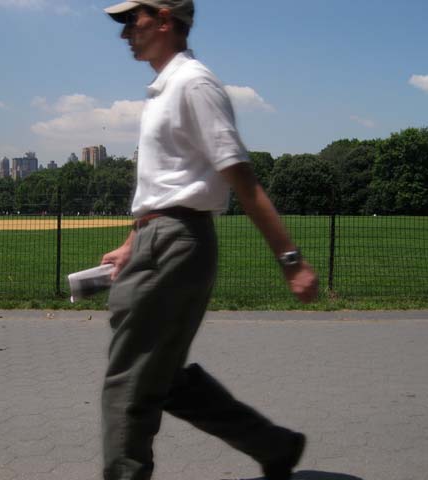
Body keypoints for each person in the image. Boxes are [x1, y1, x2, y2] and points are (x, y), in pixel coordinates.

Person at [100, 1, 319, 479]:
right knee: (162, 377)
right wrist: (133, 240)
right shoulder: (165, 88)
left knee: (129, 382)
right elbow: (169, 184)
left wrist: (291, 260)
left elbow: (242, 179)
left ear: (164, 20)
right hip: (162, 238)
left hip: (173, 243)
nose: (124, 33)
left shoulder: (193, 84)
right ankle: (274, 445)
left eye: (132, 20)